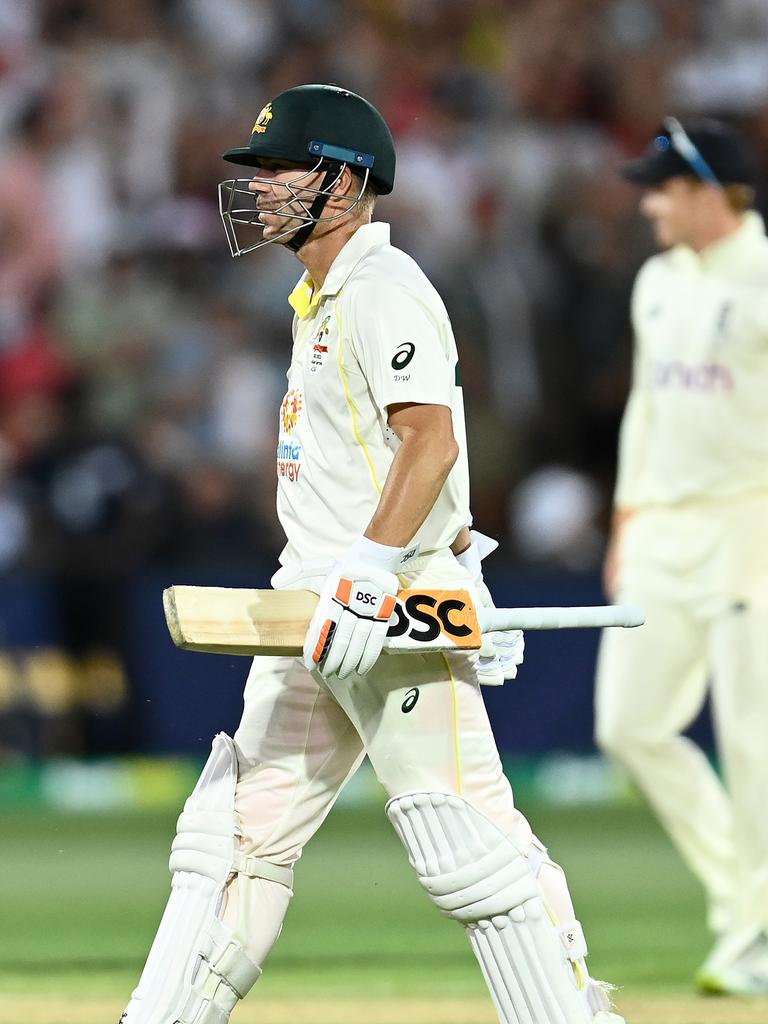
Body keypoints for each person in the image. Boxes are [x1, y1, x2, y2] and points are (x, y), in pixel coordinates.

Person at [121, 84, 623, 1024]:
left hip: (375, 601)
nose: (260, 189)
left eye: (279, 170)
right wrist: (446, 554)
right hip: (326, 600)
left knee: (464, 840)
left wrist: (389, 577)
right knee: (232, 839)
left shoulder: (384, 288)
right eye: (258, 173)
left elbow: (430, 440)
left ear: (345, 182)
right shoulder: (320, 297)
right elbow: (384, 463)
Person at [596, 117, 768, 996]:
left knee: (753, 742)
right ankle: (747, 900)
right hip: (662, 527)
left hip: (751, 525)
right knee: (626, 725)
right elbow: (646, 413)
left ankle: (755, 931)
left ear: (709, 191)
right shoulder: (657, 282)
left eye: (664, 187)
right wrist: (626, 521)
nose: (651, 203)